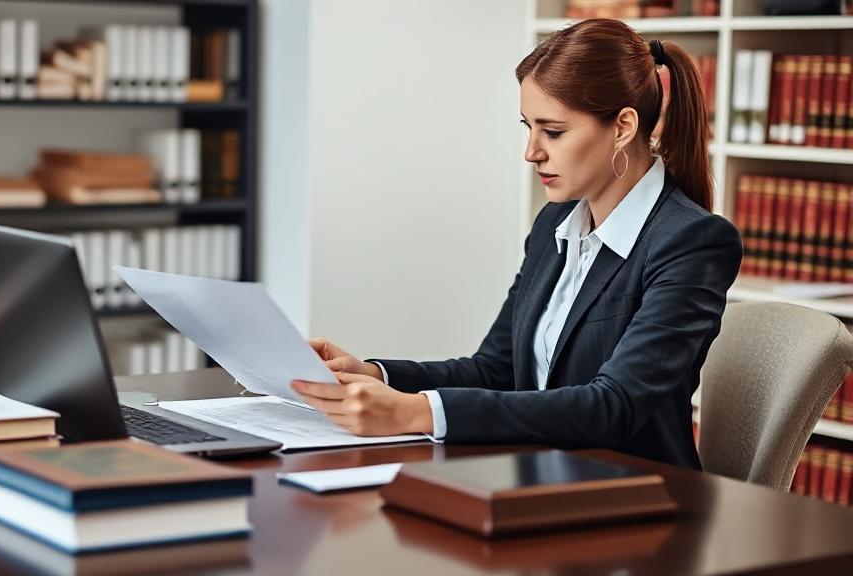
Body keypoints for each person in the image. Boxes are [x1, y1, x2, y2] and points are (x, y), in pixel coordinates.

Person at [290, 18, 742, 469]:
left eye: (554, 131)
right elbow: (496, 370)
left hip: (638, 499)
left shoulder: (692, 242)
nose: (531, 151)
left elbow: (614, 407)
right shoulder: (555, 223)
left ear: (623, 126)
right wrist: (375, 375)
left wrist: (413, 411)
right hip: (541, 481)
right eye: (528, 127)